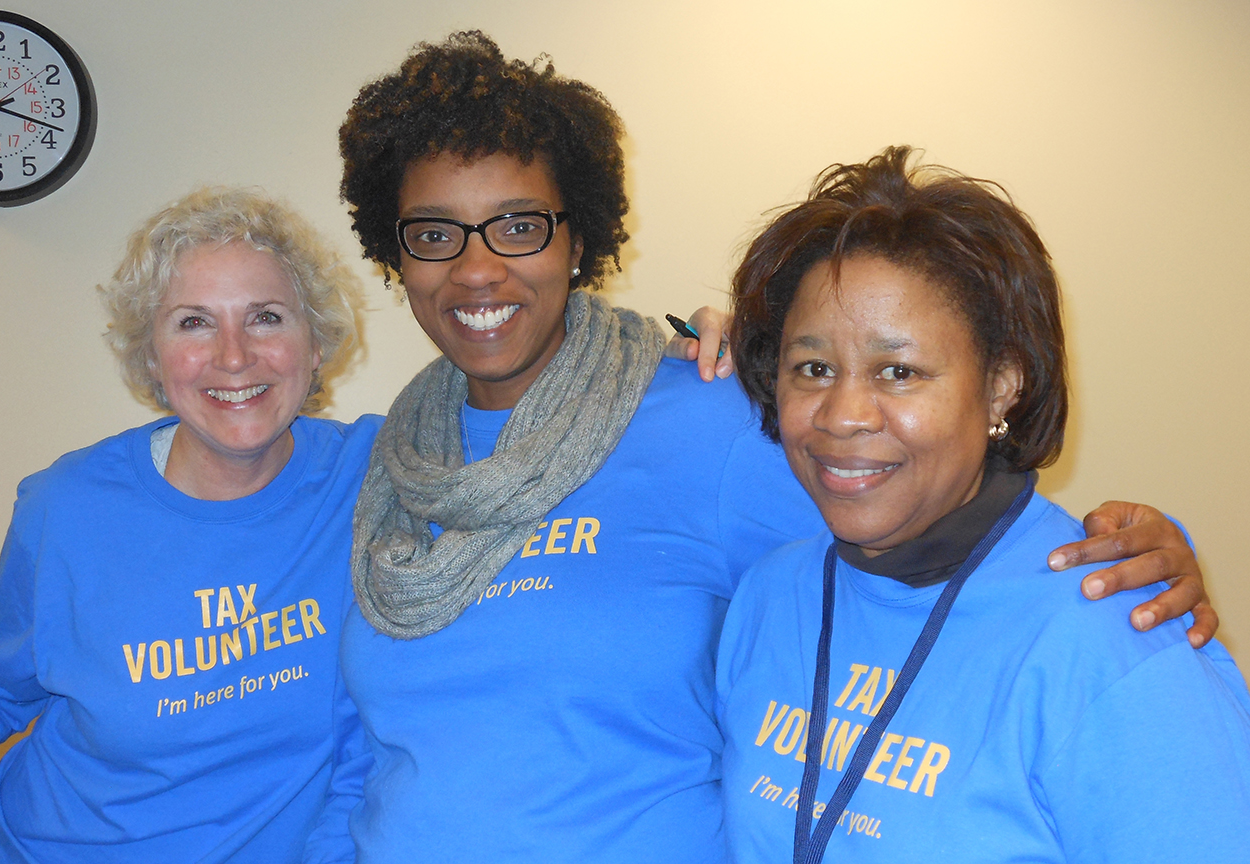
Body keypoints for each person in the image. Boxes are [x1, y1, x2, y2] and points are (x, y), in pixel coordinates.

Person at [331, 32, 1214, 863]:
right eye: (434, 233)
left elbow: (934, 516)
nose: (477, 266)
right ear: (394, 252)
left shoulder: (703, 418)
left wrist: (1137, 555)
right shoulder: (378, 467)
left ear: (576, 238)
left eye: (519, 224)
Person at [716, 147, 1250, 862]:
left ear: (1000, 386)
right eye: (812, 368)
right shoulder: (770, 595)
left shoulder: (1108, 637)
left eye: (897, 371)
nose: (841, 415)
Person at [0, 187, 379, 862]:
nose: (234, 355)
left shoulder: (373, 478)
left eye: (266, 317)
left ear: (317, 344)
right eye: (192, 323)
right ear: (150, 358)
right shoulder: (67, 509)